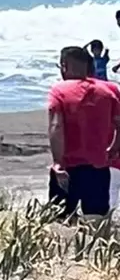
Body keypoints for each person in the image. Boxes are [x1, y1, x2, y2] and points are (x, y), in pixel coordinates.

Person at [48, 45, 120, 220]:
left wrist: (57, 163)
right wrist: (114, 148)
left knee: (60, 221)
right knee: (96, 222)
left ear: (64, 65)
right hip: (99, 168)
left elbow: (56, 126)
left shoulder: (59, 90)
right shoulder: (109, 90)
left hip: (68, 167)